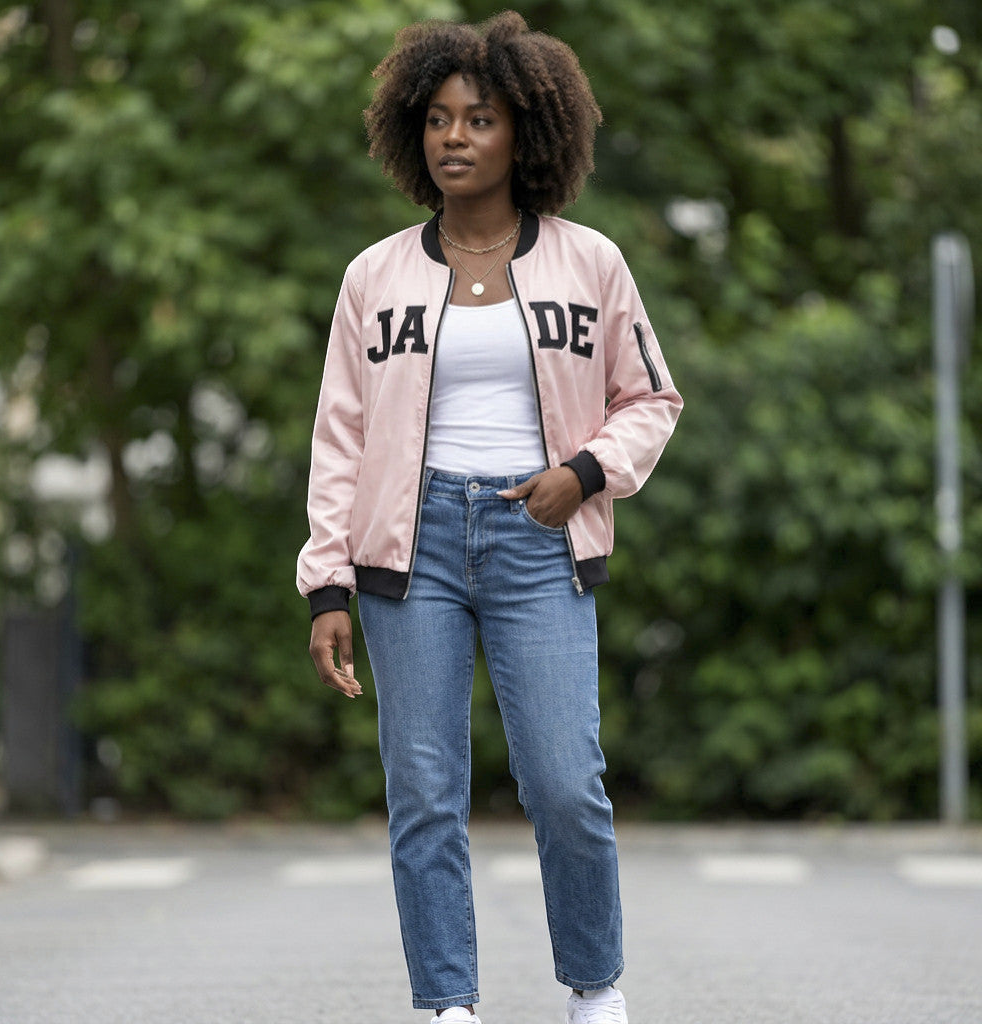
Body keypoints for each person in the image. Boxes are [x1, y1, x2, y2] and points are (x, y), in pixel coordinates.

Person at [297, 11, 683, 1024]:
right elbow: (339, 439)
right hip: (405, 549)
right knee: (423, 791)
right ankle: (446, 1005)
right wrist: (325, 582)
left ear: (527, 134)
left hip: (537, 533)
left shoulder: (589, 263)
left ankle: (594, 989)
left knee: (565, 781)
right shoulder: (372, 278)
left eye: (478, 118)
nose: (454, 137)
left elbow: (651, 399)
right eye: (436, 119)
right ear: (410, 132)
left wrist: (586, 471)